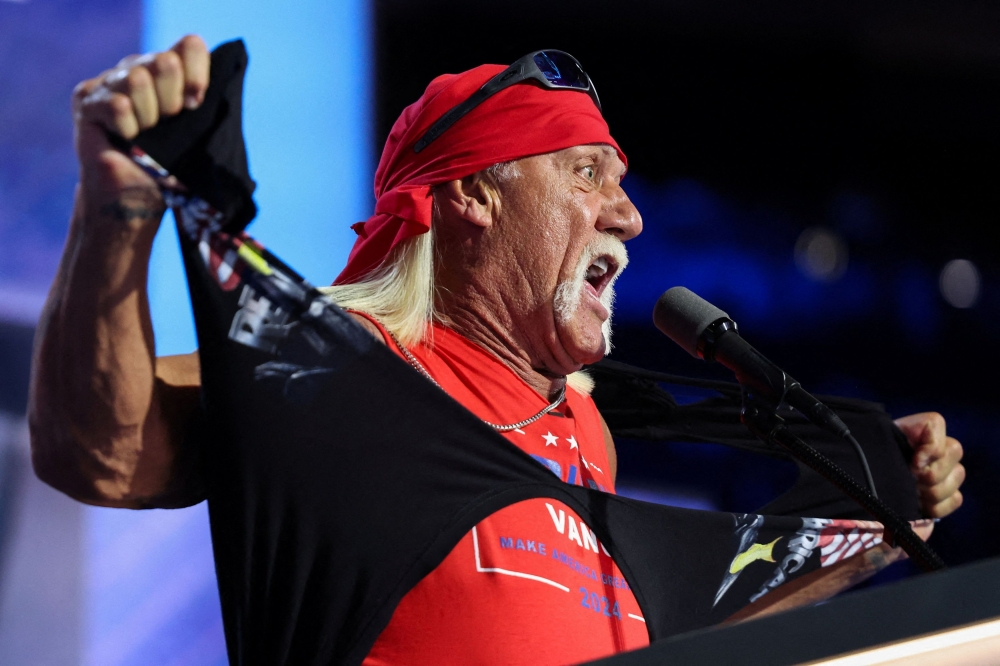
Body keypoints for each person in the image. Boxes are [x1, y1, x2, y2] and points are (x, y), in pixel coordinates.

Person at [29, 34, 966, 664]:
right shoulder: (342, 367)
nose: (630, 216)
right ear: (474, 195)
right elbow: (102, 452)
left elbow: (687, 619)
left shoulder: (585, 435)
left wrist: (873, 521)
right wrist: (119, 204)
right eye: (586, 172)